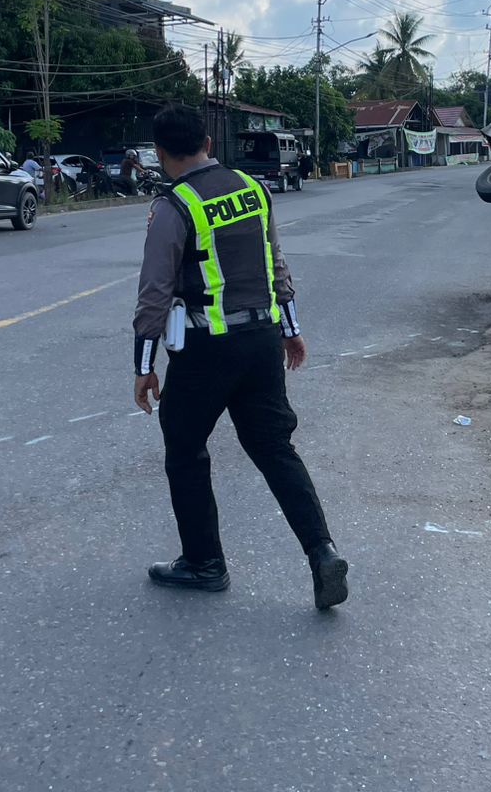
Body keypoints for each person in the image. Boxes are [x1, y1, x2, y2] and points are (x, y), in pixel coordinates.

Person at [131, 104, 348, 609]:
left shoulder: (174, 206)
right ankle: (322, 552)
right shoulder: (254, 189)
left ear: (162, 153)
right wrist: (291, 332)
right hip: (263, 344)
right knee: (275, 449)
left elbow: (154, 295)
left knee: (185, 449)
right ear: (208, 140)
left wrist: (144, 367)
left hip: (208, 350)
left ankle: (204, 563)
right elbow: (277, 265)